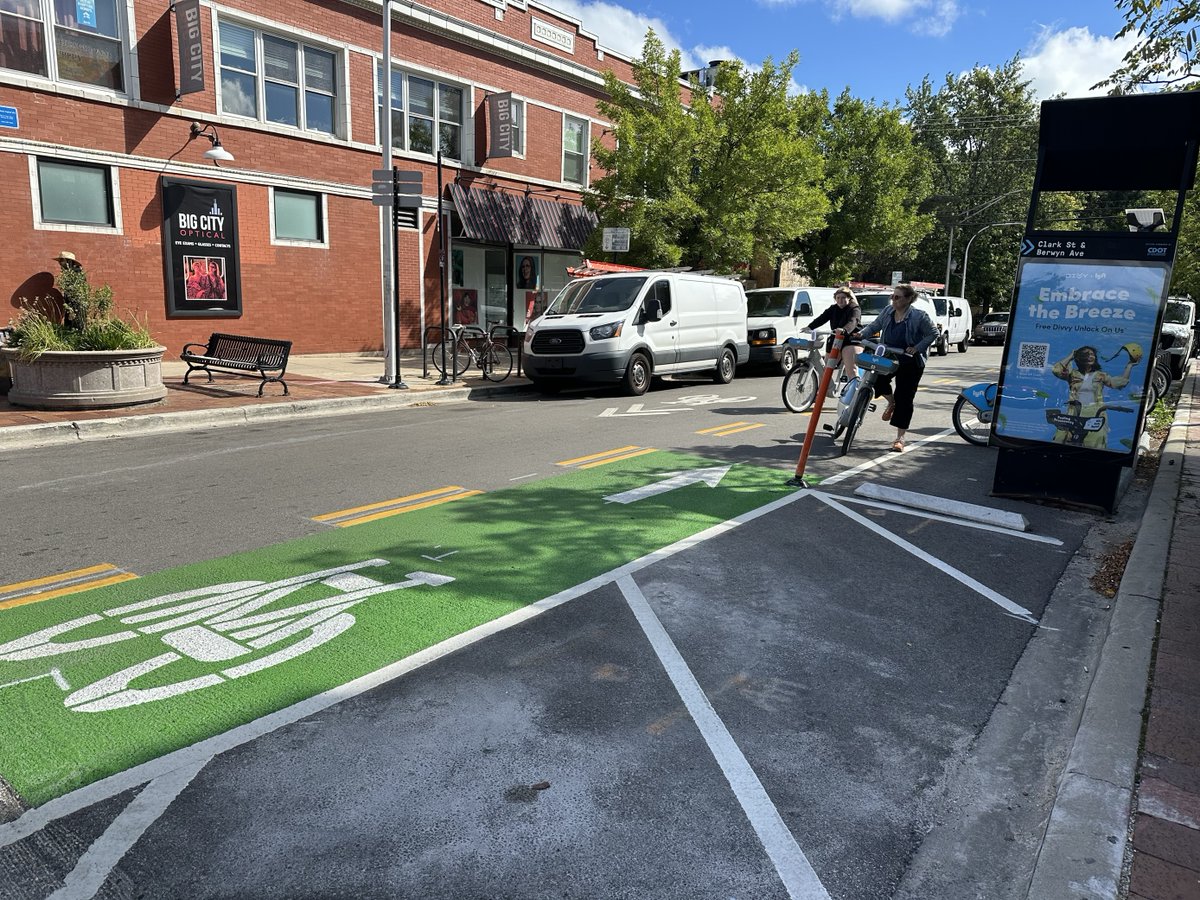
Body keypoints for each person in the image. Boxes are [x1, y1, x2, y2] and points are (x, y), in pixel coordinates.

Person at [857, 283, 938, 452]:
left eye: (897, 297)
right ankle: (891, 402)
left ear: (909, 299)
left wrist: (917, 347)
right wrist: (861, 334)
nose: (893, 300)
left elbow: (933, 333)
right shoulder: (888, 312)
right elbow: (875, 326)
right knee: (877, 380)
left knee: (905, 398)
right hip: (888, 355)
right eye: (892, 296)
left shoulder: (919, 316)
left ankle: (900, 438)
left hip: (910, 361)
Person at [1050, 345, 1136, 449]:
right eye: (1087, 354)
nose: (1091, 356)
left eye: (1092, 354)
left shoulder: (1100, 375)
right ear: (1080, 357)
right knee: (1062, 440)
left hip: (1095, 413)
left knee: (1094, 444)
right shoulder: (1072, 374)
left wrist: (1129, 366)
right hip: (1074, 413)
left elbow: (1119, 383)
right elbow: (1057, 371)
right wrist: (1071, 356)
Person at [807, 287, 862, 380]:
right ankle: (820, 393)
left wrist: (844, 330)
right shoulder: (833, 308)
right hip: (836, 339)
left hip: (851, 340)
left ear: (849, 298)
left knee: (851, 370)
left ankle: (855, 392)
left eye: (843, 297)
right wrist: (810, 327)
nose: (840, 300)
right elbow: (822, 318)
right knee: (825, 370)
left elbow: (853, 321)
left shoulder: (854, 308)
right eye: (838, 298)